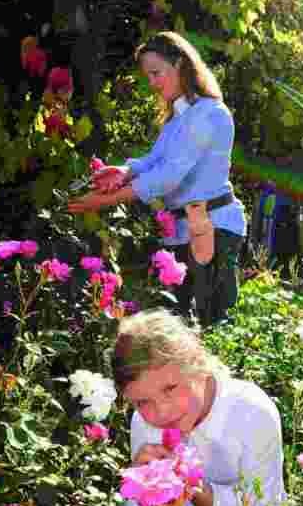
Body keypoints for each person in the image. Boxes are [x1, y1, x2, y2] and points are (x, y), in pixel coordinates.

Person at [68, 32, 246, 325]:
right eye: (147, 75)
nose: (151, 83)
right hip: (182, 230)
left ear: (179, 64)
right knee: (182, 330)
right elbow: (154, 162)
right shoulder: (177, 119)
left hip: (212, 227)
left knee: (211, 327)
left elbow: (168, 177)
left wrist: (104, 201)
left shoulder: (208, 114)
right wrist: (124, 171)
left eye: (156, 73)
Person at [112, 308, 286, 506]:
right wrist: (140, 486)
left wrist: (199, 491)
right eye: (143, 401)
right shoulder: (143, 422)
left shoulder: (251, 412)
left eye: (170, 388)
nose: (162, 411)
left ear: (197, 364)